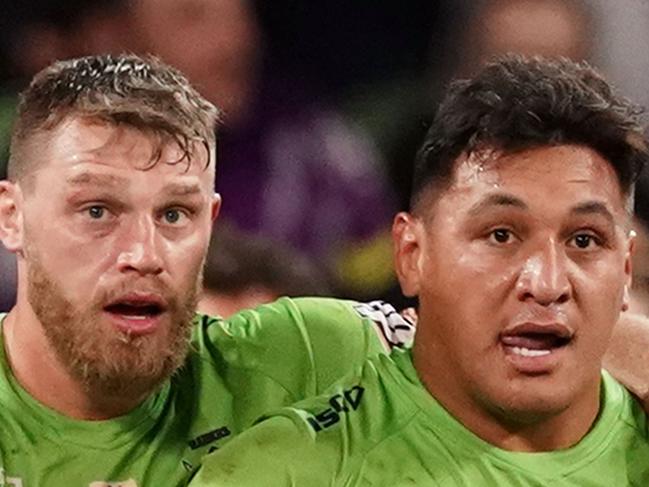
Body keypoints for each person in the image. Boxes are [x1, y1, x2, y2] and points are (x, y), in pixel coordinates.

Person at [189, 55, 649, 486]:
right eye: (501, 235)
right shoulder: (289, 471)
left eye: (584, 240)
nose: (547, 283)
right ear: (411, 255)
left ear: (626, 270)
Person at [0, 53, 414, 485]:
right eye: (97, 210)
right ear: (13, 217)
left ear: (210, 221)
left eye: (175, 214)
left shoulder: (313, 359)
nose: (144, 254)